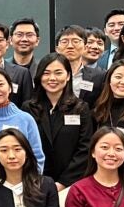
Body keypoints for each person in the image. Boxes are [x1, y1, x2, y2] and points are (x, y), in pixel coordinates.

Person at [22, 53, 93, 190]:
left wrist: (62, 183)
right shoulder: (28, 108)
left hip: (71, 185)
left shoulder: (80, 108)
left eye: (58, 73)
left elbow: (85, 149)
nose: (52, 78)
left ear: (67, 76)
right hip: (35, 183)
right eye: (46, 73)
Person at [55, 25, 105, 108]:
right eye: (64, 42)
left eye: (76, 41)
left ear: (85, 46)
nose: (70, 46)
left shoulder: (100, 76)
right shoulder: (48, 74)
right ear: (57, 49)